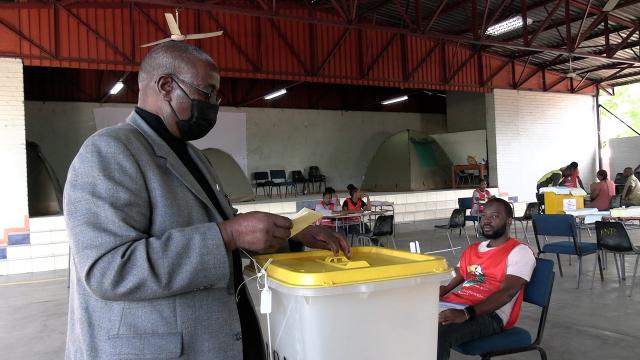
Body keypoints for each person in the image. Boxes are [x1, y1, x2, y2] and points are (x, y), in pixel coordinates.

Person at [63, 42, 349, 360]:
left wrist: (291, 231)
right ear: (166, 86)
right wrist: (228, 235)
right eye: (206, 93)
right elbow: (109, 270)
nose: (214, 105)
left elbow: (218, 220)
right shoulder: (110, 151)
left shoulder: (192, 155)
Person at [437, 198, 536, 360]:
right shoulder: (472, 250)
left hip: (489, 315)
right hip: (454, 304)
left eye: (495, 216)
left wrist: (466, 313)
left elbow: (507, 293)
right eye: (484, 216)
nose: (487, 221)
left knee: (438, 332)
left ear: (509, 221)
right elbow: (449, 282)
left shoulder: (519, 252)